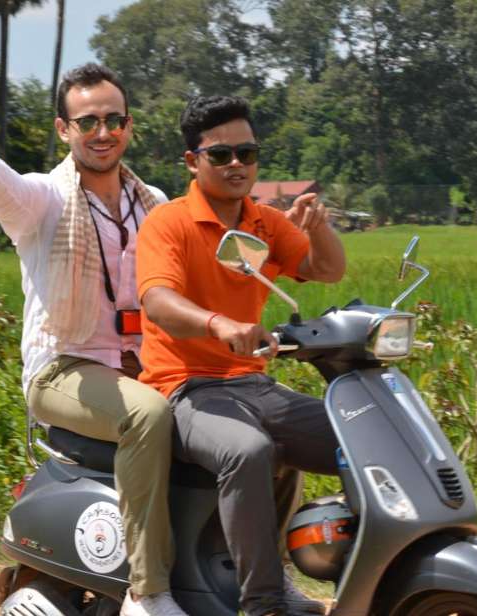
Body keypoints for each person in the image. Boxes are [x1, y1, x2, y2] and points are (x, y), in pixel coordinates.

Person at [0, 63, 187, 616]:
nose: (103, 131)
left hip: (143, 365)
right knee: (146, 416)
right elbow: (3, 193)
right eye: (88, 121)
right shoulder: (46, 199)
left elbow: (188, 265)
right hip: (63, 371)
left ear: (129, 125)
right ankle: (148, 595)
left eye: (114, 119)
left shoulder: (154, 203)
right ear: (63, 129)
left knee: (244, 417)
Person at [136, 95, 346, 616]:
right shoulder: (169, 222)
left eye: (247, 154)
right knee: (248, 451)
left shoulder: (265, 222)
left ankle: (371, 575)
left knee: (361, 436)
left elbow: (328, 271)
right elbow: (158, 301)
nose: (237, 165)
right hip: (184, 387)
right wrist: (218, 324)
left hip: (253, 384)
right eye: (221, 155)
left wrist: (316, 224)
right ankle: (263, 605)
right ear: (192, 162)